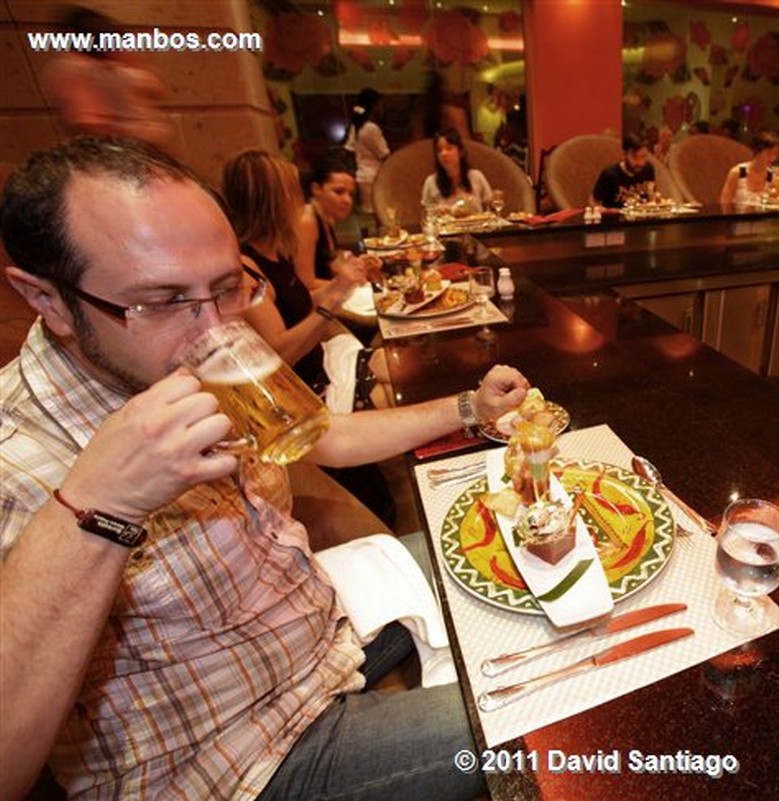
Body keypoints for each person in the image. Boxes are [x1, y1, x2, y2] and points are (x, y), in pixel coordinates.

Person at [0, 135, 529, 800]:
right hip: (251, 761)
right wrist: (96, 506)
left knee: (517, 543)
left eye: (227, 287)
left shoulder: (207, 352)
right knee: (550, 716)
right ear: (46, 298)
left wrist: (467, 406)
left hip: (328, 642)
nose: (213, 326)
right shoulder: (16, 456)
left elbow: (320, 435)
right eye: (161, 300)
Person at [220, 149, 366, 393]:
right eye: (293, 191)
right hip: (313, 389)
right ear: (271, 202)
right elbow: (280, 353)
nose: (300, 201)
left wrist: (341, 283)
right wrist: (332, 301)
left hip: (326, 364)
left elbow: (298, 302)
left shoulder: (275, 250)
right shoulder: (245, 270)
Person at [40, 4, 172, 150]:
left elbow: (157, 90)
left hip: (141, 147)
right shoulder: (74, 68)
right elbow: (86, 121)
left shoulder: (117, 64)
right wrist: (133, 133)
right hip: (118, 150)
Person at [296, 151, 361, 290]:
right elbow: (306, 284)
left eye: (351, 194)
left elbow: (328, 260)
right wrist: (355, 284)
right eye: (339, 192)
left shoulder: (327, 216)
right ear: (316, 189)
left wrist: (359, 265)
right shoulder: (307, 221)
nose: (347, 200)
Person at [420, 127, 493, 216]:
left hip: (476, 227)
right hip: (446, 229)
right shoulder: (431, 182)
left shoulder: (476, 176)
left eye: (449, 148)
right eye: (439, 150)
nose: (444, 154)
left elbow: (490, 207)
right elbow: (426, 215)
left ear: (461, 151)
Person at [344, 87, 390, 215]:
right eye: (381, 105)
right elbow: (385, 155)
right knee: (379, 213)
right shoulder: (371, 128)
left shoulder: (357, 126)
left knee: (369, 214)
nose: (382, 109)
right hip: (374, 176)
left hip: (363, 176)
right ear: (374, 106)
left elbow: (349, 149)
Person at [590, 134, 656, 208]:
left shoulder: (648, 169)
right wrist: (600, 210)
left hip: (642, 217)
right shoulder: (610, 175)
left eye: (643, 156)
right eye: (634, 157)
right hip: (615, 218)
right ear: (625, 154)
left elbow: (651, 195)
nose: (640, 162)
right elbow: (594, 201)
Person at [719, 130, 779, 205]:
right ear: (758, 151)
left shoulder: (771, 177)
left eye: (775, 154)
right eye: (769, 153)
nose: (772, 158)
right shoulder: (738, 172)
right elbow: (724, 203)